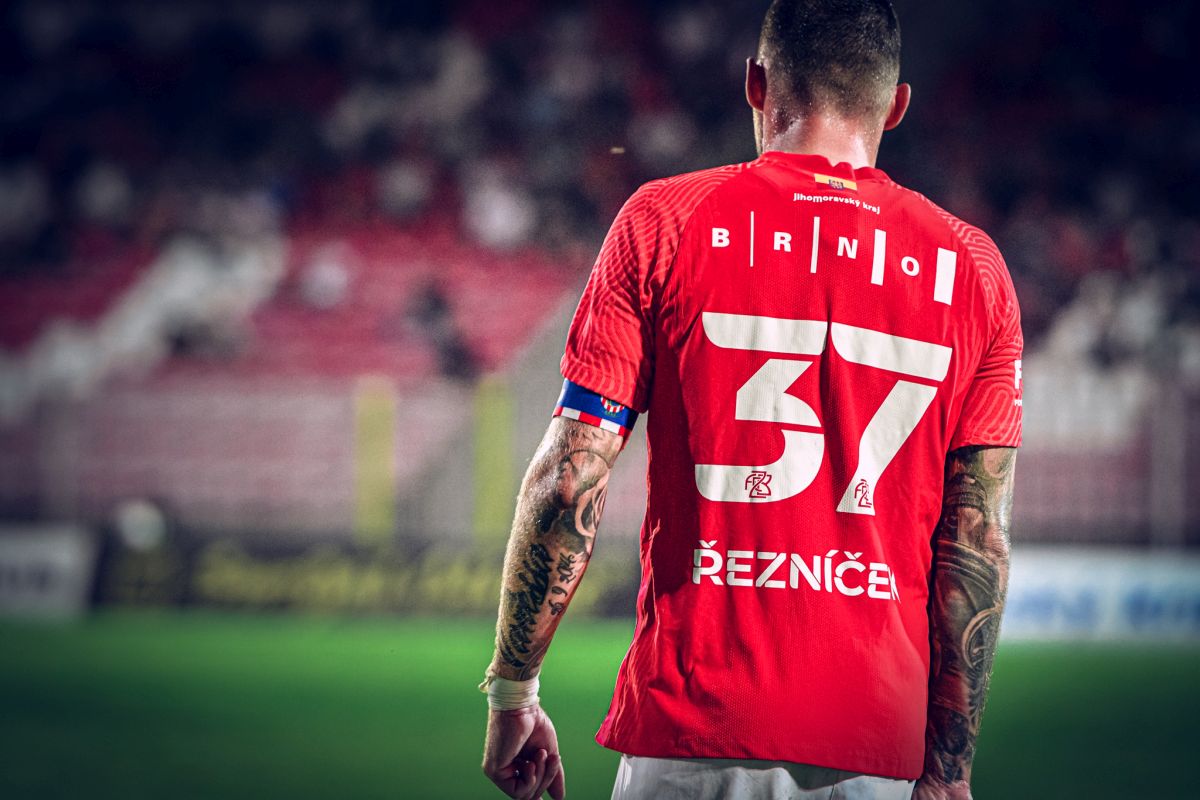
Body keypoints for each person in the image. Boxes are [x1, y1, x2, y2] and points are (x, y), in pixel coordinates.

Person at [480, 1, 1022, 798]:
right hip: (873, 746)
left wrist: (513, 690)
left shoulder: (664, 221)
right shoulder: (974, 268)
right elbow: (978, 542)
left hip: (691, 736)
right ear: (896, 105)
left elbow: (570, 477)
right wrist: (949, 769)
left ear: (756, 85)